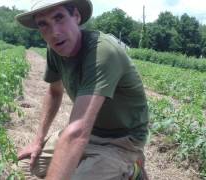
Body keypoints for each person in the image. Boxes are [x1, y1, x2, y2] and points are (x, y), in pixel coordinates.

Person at [15, 0, 149, 179]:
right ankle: (88, 163)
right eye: (43, 24)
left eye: (59, 17)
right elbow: (54, 92)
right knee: (24, 167)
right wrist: (37, 141)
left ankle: (133, 169)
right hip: (91, 130)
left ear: (76, 16)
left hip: (122, 140)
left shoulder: (102, 52)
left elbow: (77, 132)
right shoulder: (55, 49)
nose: (54, 32)